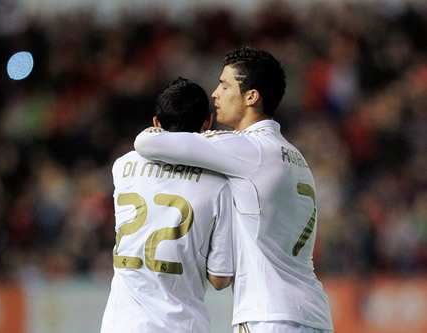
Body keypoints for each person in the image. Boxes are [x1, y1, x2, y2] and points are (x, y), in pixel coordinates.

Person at [135, 47, 334, 332]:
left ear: (251, 97)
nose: (215, 94)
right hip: (313, 314)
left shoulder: (248, 149)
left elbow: (148, 144)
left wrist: (154, 128)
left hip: (269, 315)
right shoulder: (295, 156)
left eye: (225, 85)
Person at [100, 77, 234, 333]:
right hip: (181, 326)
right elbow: (220, 278)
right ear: (208, 122)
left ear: (156, 123)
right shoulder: (219, 184)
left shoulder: (122, 167)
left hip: (120, 326)